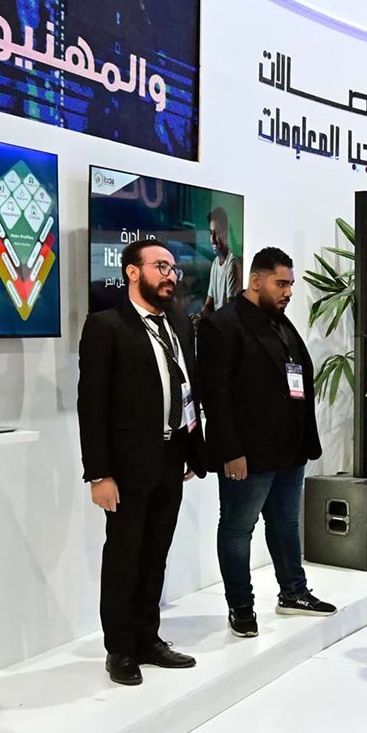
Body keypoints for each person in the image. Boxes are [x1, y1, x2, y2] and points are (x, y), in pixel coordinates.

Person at [78, 238, 208, 686]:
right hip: (126, 465)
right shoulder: (106, 326)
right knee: (124, 556)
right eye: (160, 267)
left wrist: (192, 449)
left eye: (173, 269)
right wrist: (99, 473)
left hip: (171, 456)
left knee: (156, 554)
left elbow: (187, 388)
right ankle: (119, 649)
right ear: (132, 272)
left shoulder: (179, 322)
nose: (170, 276)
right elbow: (91, 404)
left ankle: (148, 638)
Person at [196, 247, 336, 639]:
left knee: (286, 523)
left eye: (290, 284)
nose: (288, 291)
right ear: (256, 281)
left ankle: (294, 592)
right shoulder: (221, 325)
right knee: (238, 528)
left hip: (290, 449)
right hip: (247, 453)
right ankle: (241, 606)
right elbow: (215, 397)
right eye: (281, 283)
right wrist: (231, 452)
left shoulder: (280, 321)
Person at [202, 206, 239, 314]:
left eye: (216, 232)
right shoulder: (215, 263)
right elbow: (208, 304)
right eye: (210, 233)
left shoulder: (232, 264)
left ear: (225, 233)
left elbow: (229, 311)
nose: (212, 239)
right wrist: (199, 317)